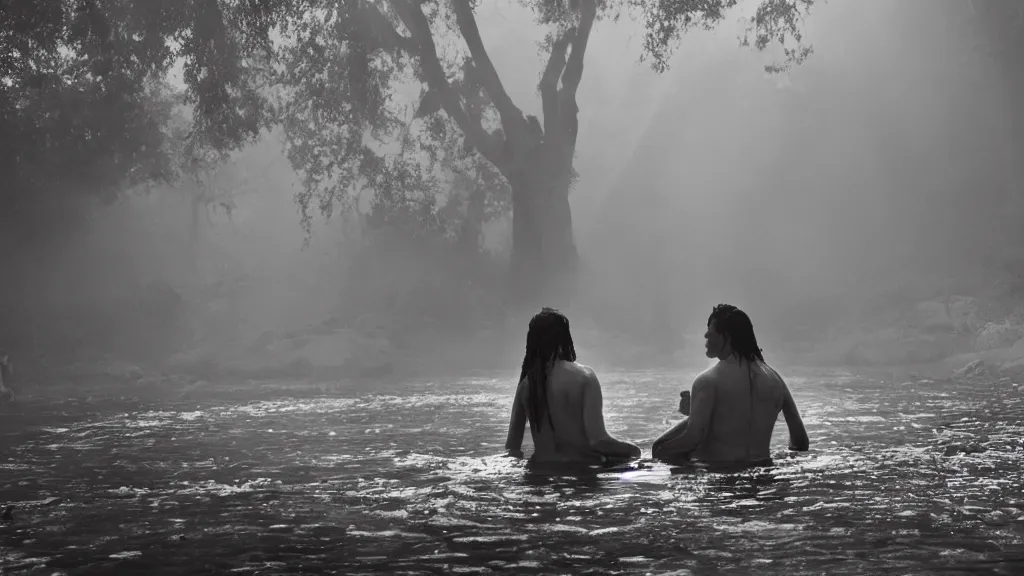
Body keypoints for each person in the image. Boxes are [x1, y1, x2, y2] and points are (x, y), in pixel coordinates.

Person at [652, 304, 809, 467]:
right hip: (764, 479)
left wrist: (659, 451)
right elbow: (801, 442)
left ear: (726, 335)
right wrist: (698, 411)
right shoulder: (775, 380)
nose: (706, 334)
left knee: (657, 448)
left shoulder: (708, 380)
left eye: (710, 329)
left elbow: (692, 440)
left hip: (720, 482)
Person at [504, 308, 641, 467]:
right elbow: (597, 441)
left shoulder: (526, 385)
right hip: (581, 475)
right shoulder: (584, 376)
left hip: (538, 475)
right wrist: (634, 451)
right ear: (565, 338)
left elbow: (512, 448)